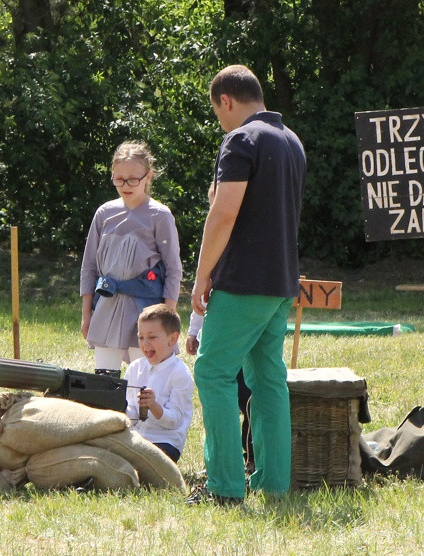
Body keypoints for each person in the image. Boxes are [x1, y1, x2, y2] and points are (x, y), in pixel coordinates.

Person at [187, 65, 307, 505]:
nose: (219, 120)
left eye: (216, 111)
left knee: (213, 372)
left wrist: (201, 278)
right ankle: (274, 484)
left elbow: (223, 214)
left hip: (243, 283)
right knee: (268, 379)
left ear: (226, 101)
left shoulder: (241, 139)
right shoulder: (291, 141)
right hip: (281, 283)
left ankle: (223, 487)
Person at [80, 141, 182, 376]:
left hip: (145, 309)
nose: (125, 185)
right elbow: (89, 267)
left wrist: (167, 318)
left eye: (133, 179)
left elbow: (173, 269)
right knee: (104, 381)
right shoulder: (104, 213)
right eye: (119, 179)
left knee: (142, 382)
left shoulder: (160, 215)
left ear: (148, 176)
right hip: (107, 306)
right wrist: (87, 314)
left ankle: (138, 414)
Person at [186, 182, 254, 472]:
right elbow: (202, 298)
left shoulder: (243, 243)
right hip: (213, 334)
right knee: (223, 395)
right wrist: (193, 331)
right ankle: (226, 458)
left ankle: (249, 454)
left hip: (239, 340)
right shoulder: (212, 247)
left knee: (247, 397)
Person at [124, 304, 194, 463]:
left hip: (165, 442)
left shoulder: (180, 374)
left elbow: (174, 421)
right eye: (141, 337)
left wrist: (153, 406)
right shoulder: (135, 368)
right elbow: (133, 416)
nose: (145, 343)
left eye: (152, 337)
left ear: (173, 339)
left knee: (145, 462)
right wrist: (118, 406)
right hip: (136, 438)